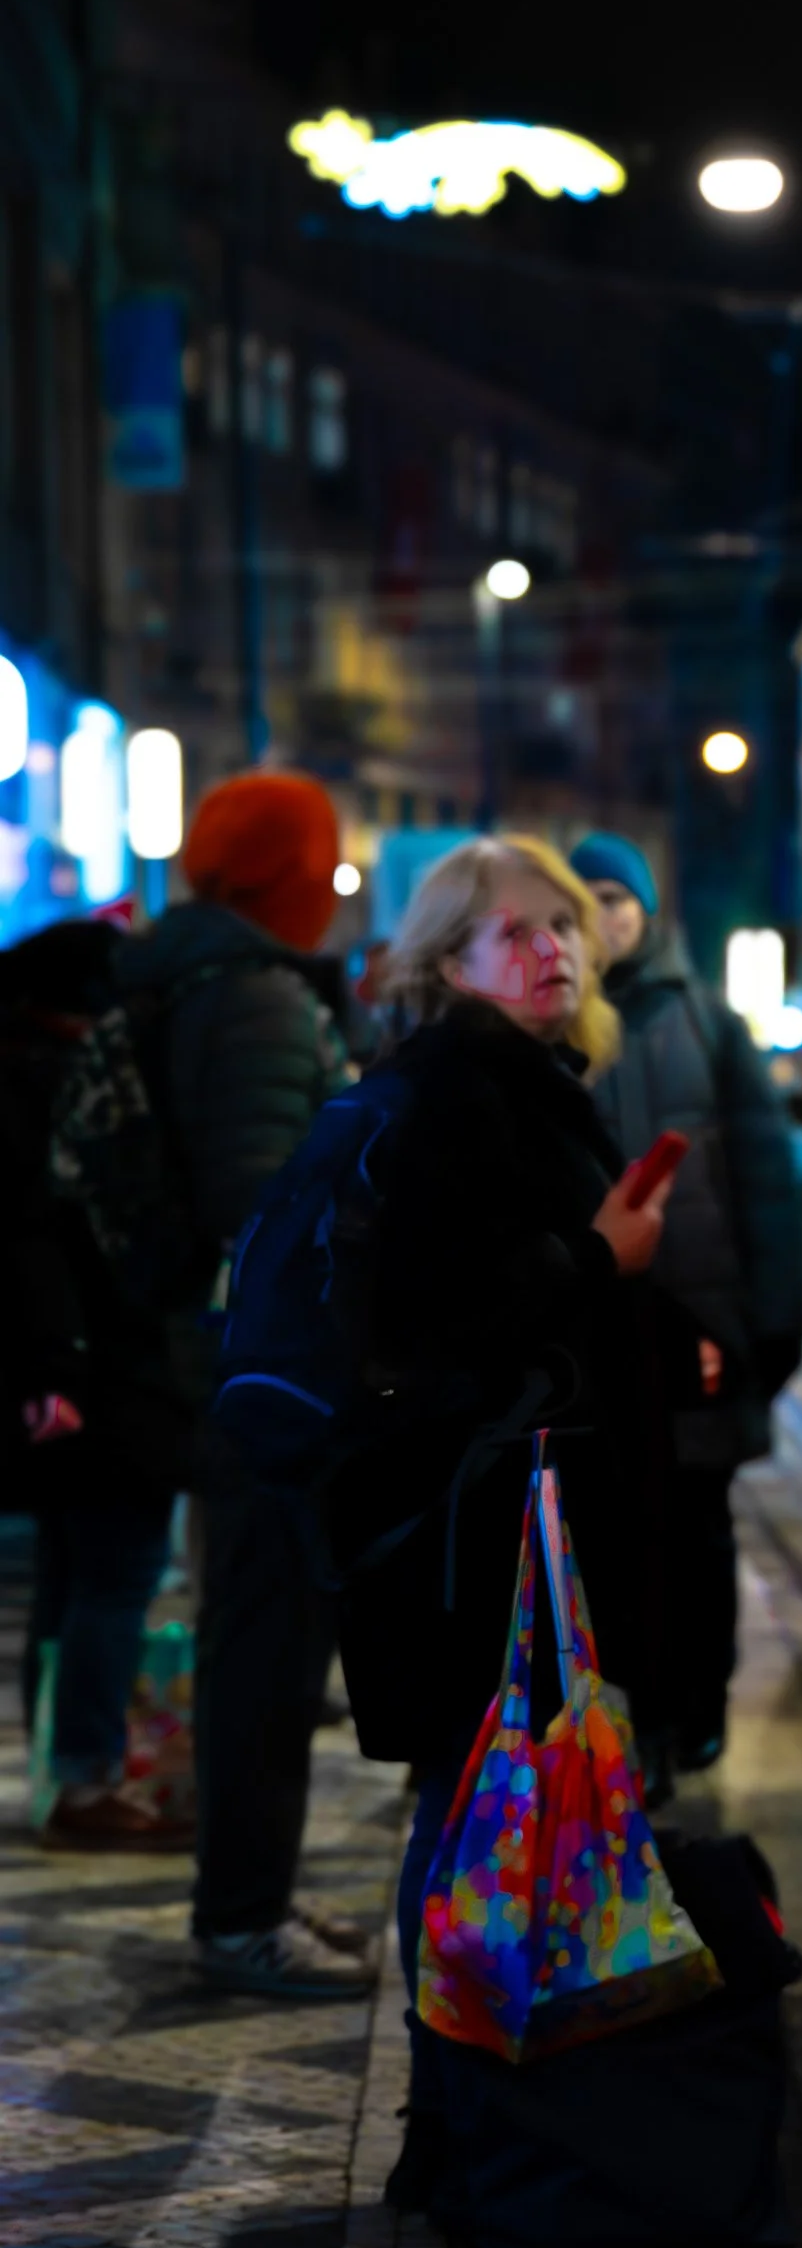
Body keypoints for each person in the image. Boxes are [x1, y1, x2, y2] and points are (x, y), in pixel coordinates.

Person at [322, 836, 680, 2164]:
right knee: (476, 1812)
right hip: (479, 1528)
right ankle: (469, 2122)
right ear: (449, 963)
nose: (552, 950)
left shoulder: (525, 1081)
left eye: (564, 925)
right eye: (514, 932)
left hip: (515, 1517)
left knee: (492, 1806)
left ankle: (496, 2113)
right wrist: (598, 1251)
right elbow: (436, 1314)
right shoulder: (450, 1093)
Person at [123, 770, 367, 1990]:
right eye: (322, 864)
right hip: (262, 1375)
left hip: (209, 1361)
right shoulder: (260, 999)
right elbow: (266, 1204)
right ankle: (241, 1916)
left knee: (255, 1641)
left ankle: (252, 1895)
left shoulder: (182, 969)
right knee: (268, 1646)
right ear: (287, 875)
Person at [571, 833, 802, 1776]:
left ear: (646, 909)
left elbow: (766, 1183)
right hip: (599, 1325)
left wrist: (769, 1321)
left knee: (698, 1525)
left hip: (694, 1320)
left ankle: (697, 1707)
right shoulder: (554, 1027)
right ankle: (634, 1718)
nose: (605, 918)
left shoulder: (708, 1021)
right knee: (616, 1532)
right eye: (585, 901)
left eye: (616, 898)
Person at [0, 916, 192, 1848]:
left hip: (78, 1367)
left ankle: (62, 1768)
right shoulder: (58, 1082)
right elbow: (42, 1237)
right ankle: (83, 1780)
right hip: (101, 1367)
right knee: (115, 1570)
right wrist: (56, 1362)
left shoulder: (29, 1067)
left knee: (80, 1573)